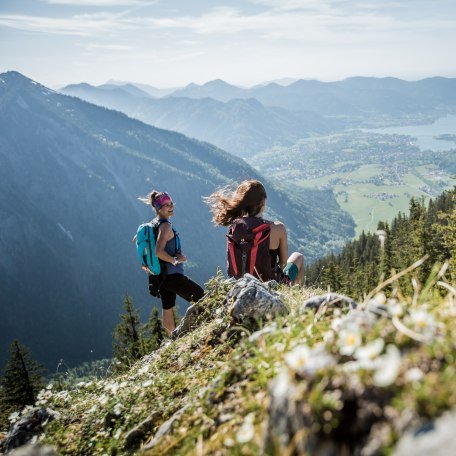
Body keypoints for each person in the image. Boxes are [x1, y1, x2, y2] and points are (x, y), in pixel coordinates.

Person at [205, 180, 304, 284]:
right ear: (263, 202)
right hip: (270, 284)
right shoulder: (278, 228)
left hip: (240, 283)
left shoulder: (235, 228)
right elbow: (283, 264)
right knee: (298, 256)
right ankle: (291, 292)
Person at [136, 190, 205, 335]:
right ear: (159, 208)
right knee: (203, 297)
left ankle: (172, 338)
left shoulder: (152, 225)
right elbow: (158, 251)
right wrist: (175, 259)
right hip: (172, 275)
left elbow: (136, 240)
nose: (171, 206)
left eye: (171, 203)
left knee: (167, 307)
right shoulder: (165, 226)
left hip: (160, 275)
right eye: (167, 204)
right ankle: (200, 330)